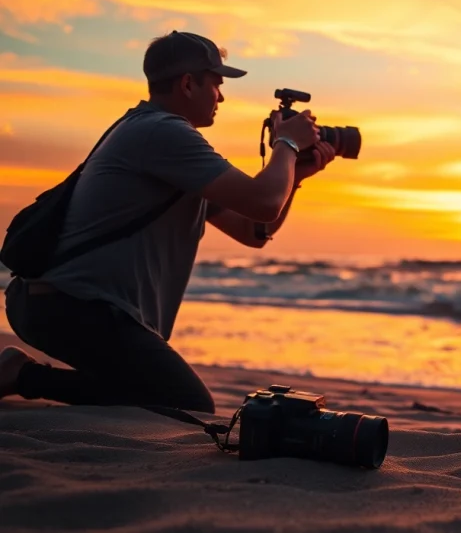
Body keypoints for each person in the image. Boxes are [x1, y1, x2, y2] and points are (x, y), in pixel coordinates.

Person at [0, 30, 338, 413]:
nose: (222, 96)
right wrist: (287, 144)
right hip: (71, 307)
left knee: (154, 395)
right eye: (217, 83)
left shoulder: (162, 137)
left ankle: (22, 374)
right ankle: (20, 375)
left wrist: (297, 176)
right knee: (185, 402)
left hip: (67, 305)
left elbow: (254, 231)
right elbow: (263, 202)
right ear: (188, 83)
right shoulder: (161, 132)